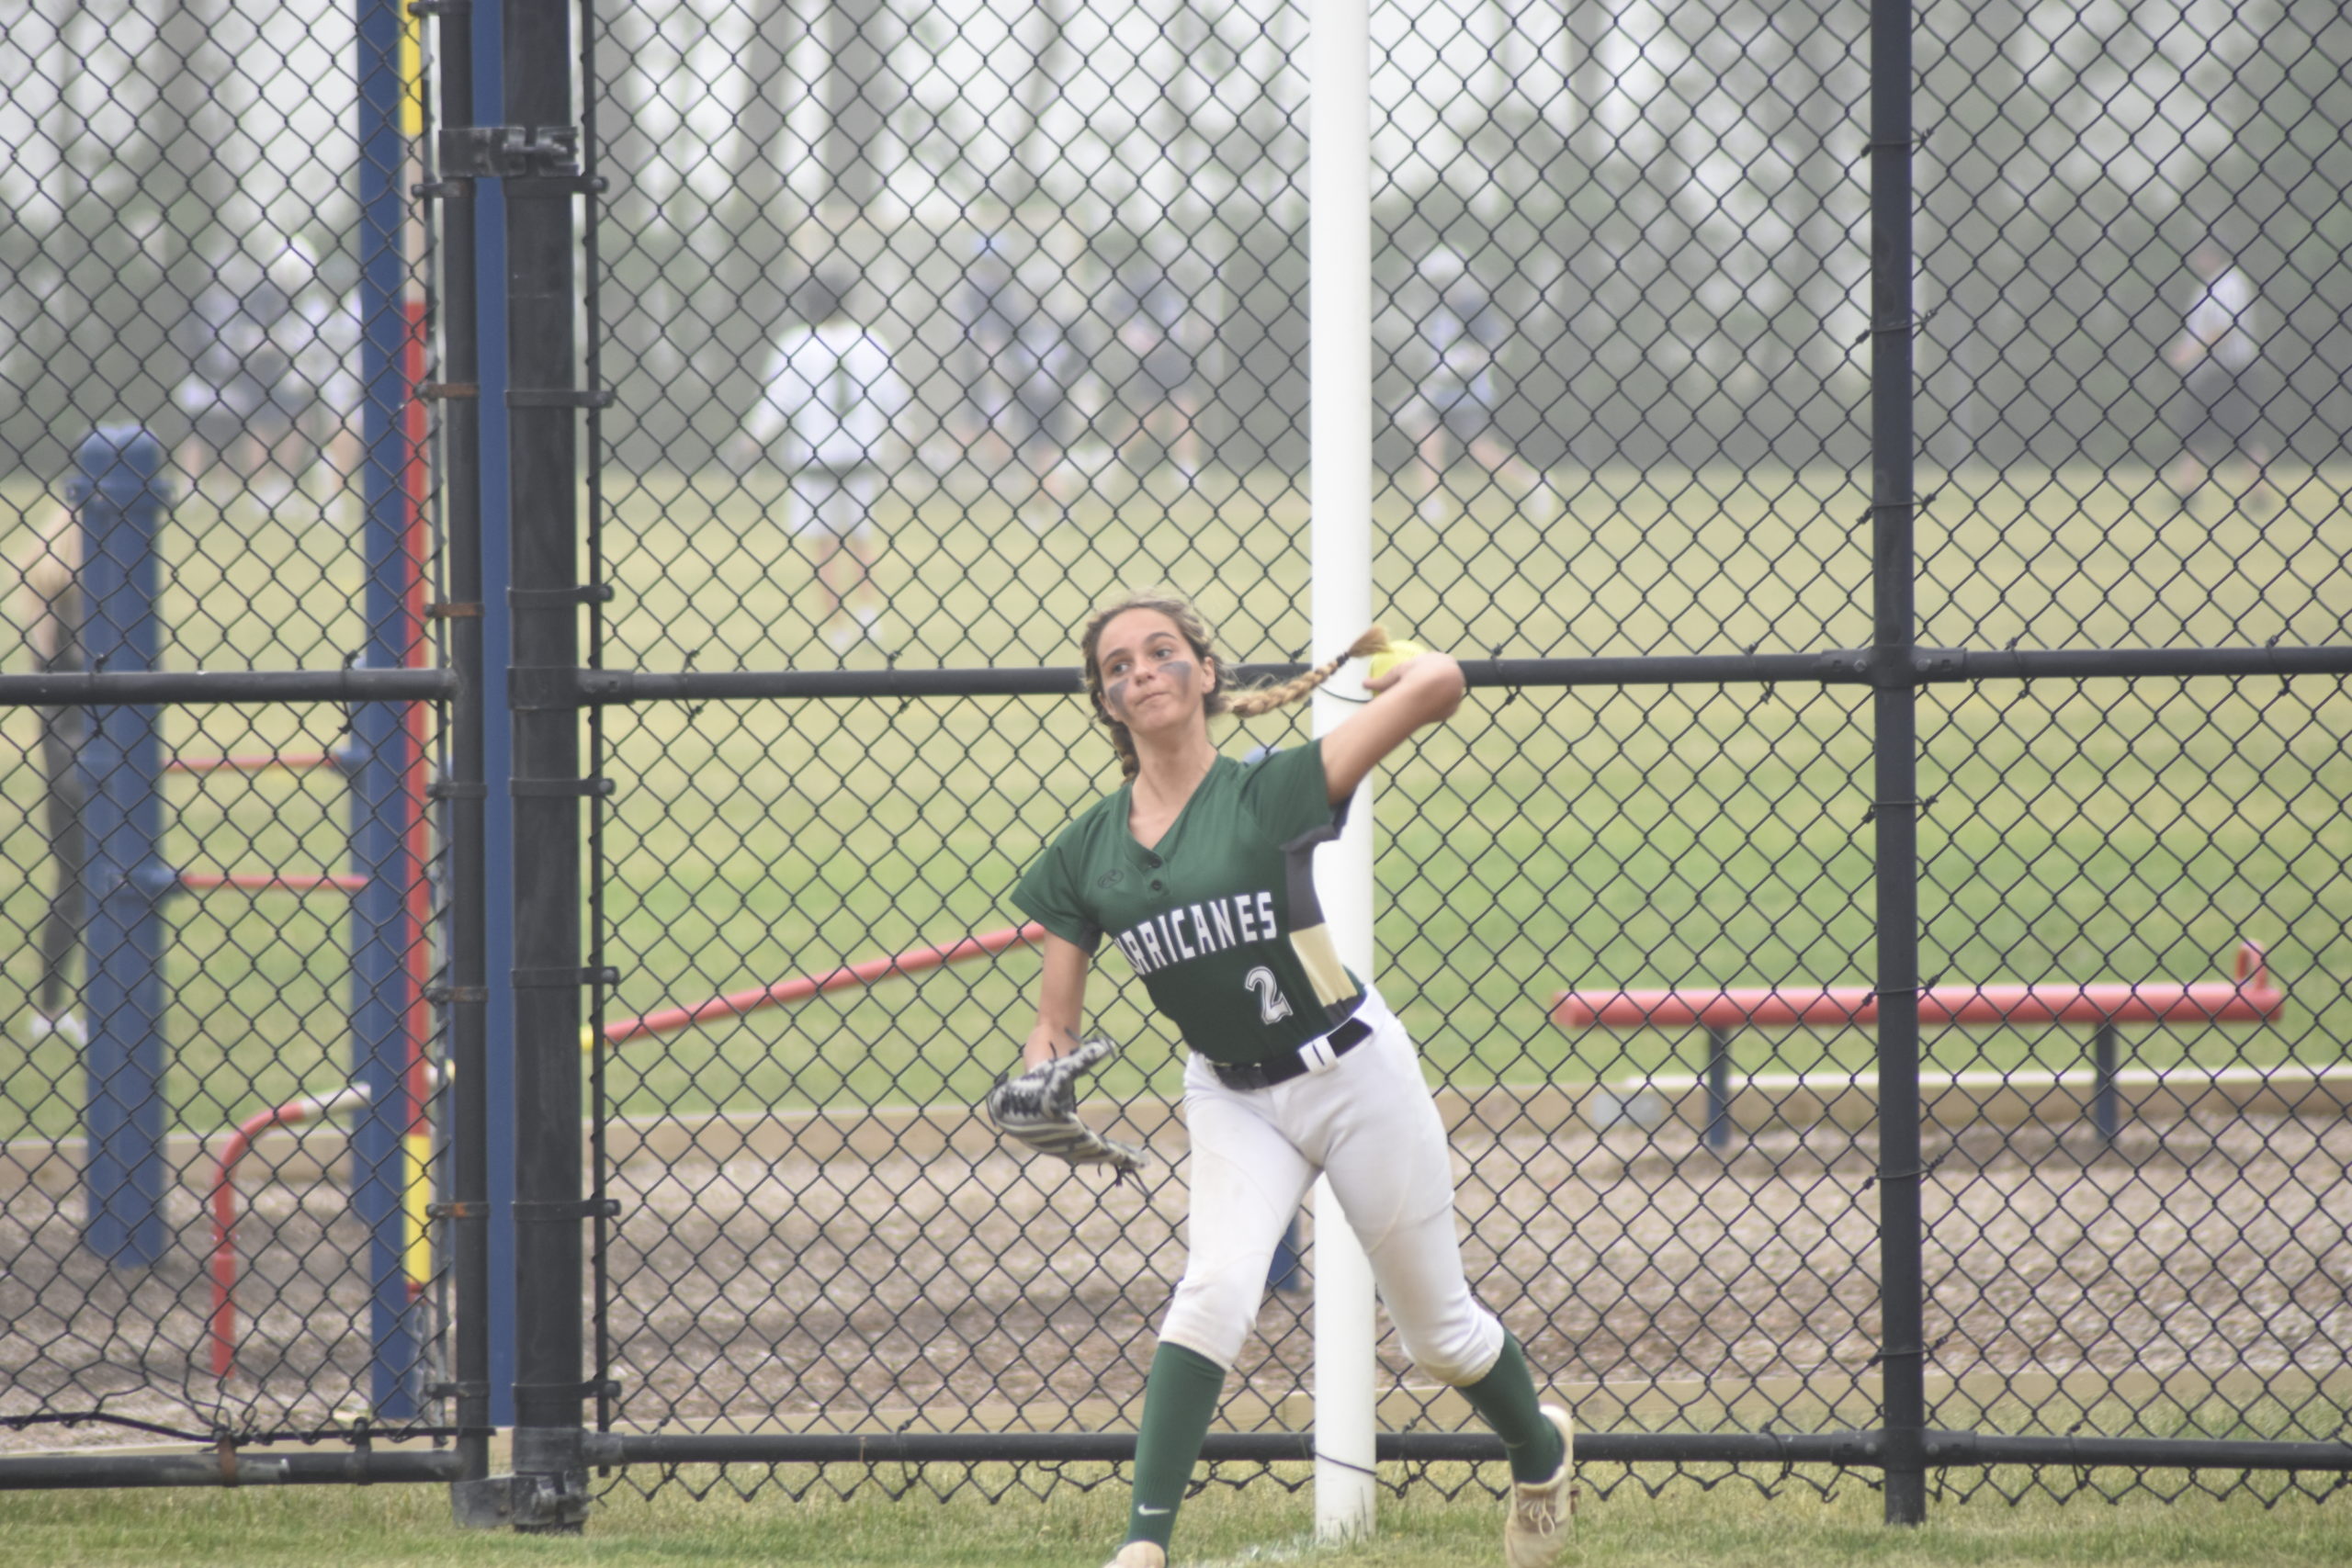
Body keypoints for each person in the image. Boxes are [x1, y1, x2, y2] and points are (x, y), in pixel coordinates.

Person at [1008, 591, 1576, 1568]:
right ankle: (1144, 1547)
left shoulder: (1267, 790)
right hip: (1231, 1092)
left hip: (1355, 1074)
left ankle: (1538, 1449)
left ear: (1207, 673)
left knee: (1437, 1340)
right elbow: (1053, 1023)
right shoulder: (1084, 853)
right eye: (1117, 666)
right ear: (1103, 701)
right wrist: (1038, 1079)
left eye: (1162, 652)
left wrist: (1382, 657)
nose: (1140, 672)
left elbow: (1440, 683)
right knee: (1213, 1292)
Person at [733, 268, 911, 654]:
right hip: (863, 455)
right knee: (862, 537)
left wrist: (751, 441)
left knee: (825, 546)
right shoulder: (872, 343)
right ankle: (869, 619)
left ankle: (837, 630)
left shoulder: (796, 345)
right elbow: (894, 401)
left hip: (815, 459)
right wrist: (906, 436)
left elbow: (776, 403)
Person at [1390, 251, 1547, 519]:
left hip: (1469, 393)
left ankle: (1534, 484)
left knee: (1479, 450)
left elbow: (1496, 344)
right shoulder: (1435, 310)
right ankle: (1432, 504)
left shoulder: (1473, 308)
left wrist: (1466, 360)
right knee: (1428, 440)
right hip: (1439, 392)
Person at [14, 505, 89, 1048]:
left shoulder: (50, 604)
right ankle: (53, 1007)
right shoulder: (73, 608)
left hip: (61, 756)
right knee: (83, 885)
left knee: (74, 885)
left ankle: (50, 1007)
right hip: (80, 756)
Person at [2163, 243, 2276, 509]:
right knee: (2197, 431)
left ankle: (2257, 492)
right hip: (2212, 372)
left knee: (2241, 432)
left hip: (2230, 371)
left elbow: (2224, 328)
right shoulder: (2210, 284)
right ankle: (2188, 491)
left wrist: (2189, 353)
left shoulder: (2229, 284)